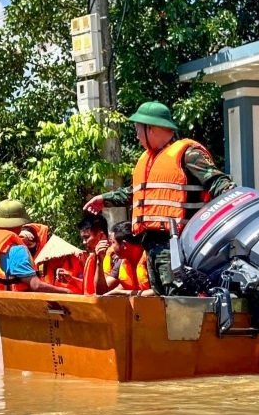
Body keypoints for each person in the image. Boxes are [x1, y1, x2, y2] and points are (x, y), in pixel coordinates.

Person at [84, 101, 235, 295]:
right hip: (152, 244)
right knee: (160, 302)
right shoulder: (149, 159)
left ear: (151, 128)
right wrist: (104, 199)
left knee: (177, 300)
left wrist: (233, 203)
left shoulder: (187, 154)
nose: (137, 136)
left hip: (176, 243)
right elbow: (136, 192)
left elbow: (218, 182)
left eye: (138, 129)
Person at [0, 200, 71, 293]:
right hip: (5, 307)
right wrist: (65, 291)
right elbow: (36, 285)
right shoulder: (16, 250)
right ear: (21, 224)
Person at [23, 223, 85, 294]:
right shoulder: (40, 265)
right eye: (52, 257)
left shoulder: (77, 261)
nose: (55, 259)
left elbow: (87, 286)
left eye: (59, 256)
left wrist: (71, 280)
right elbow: (36, 286)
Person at [104, 221, 153, 295]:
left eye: (113, 242)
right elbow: (103, 289)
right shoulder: (122, 262)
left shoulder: (150, 259)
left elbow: (160, 292)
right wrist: (99, 260)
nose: (111, 247)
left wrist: (125, 293)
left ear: (123, 244)